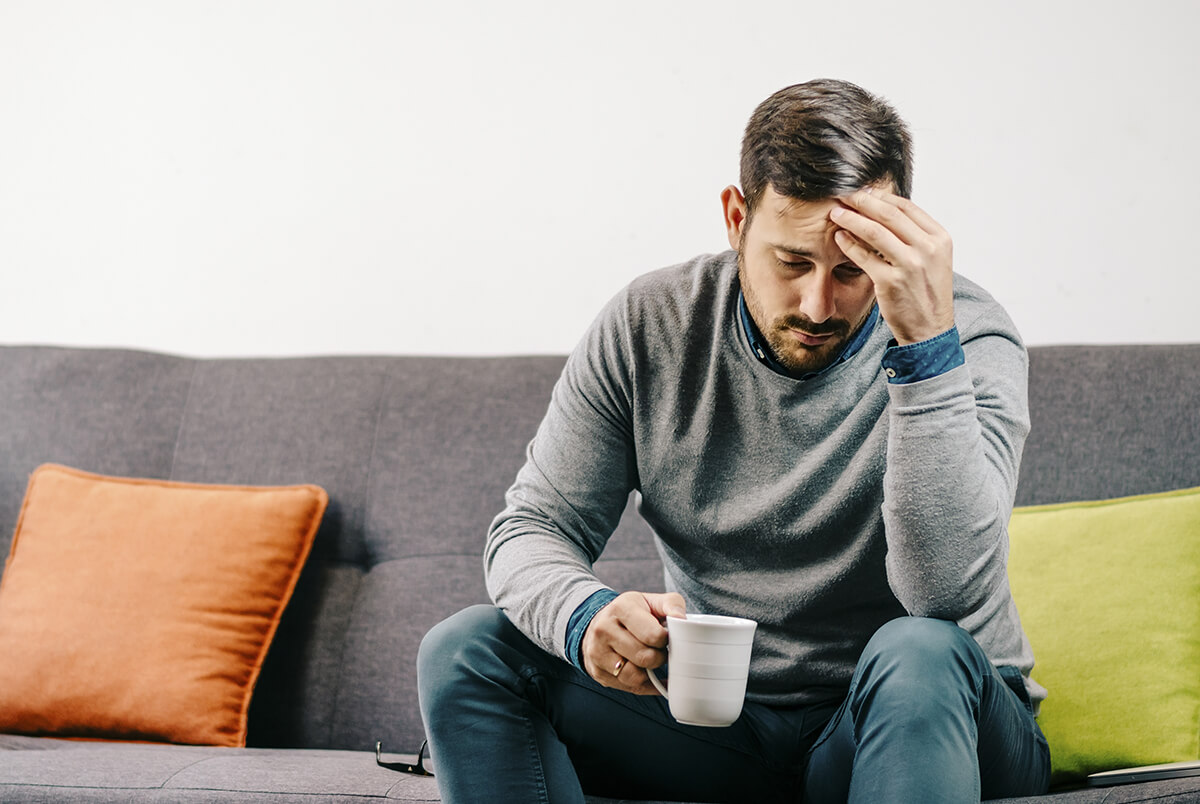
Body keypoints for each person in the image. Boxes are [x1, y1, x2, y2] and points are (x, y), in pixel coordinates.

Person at [417, 78, 1051, 803]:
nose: (819, 305)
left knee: (919, 650)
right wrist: (585, 617)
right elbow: (532, 528)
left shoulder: (964, 334)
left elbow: (944, 597)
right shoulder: (651, 324)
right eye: (792, 263)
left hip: (933, 717)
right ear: (735, 216)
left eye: (853, 269)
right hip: (723, 728)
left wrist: (923, 348)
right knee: (468, 650)